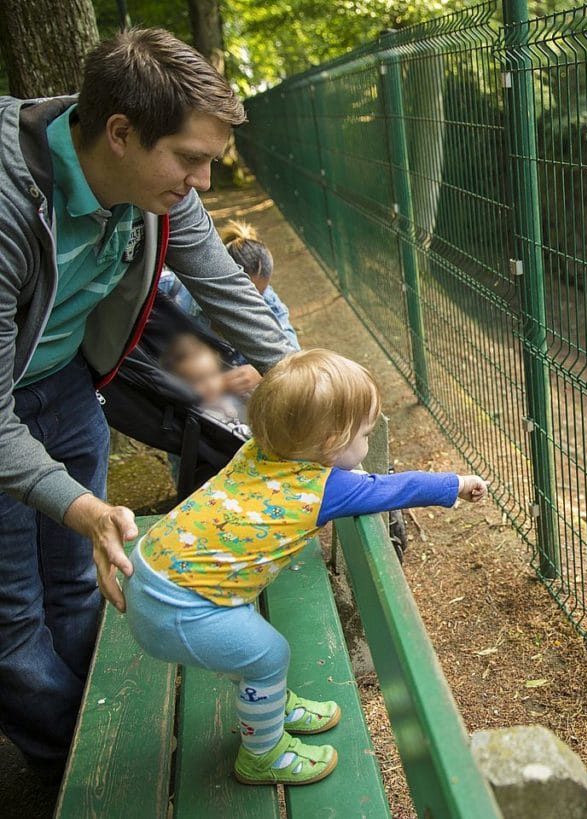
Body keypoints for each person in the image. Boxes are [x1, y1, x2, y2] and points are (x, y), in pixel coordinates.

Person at [0, 28, 298, 777]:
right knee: (10, 614)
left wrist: (304, 379)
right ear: (121, 133)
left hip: (64, 382)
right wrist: (81, 505)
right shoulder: (8, 206)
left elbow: (223, 287)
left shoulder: (153, 190)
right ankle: (70, 761)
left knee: (77, 578)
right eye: (190, 158)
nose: (202, 182)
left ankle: (91, 725)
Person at [125, 349, 487, 785]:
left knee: (258, 655)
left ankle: (269, 704)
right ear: (333, 444)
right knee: (269, 654)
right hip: (179, 610)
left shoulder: (257, 451)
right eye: (366, 435)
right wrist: (457, 483)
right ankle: (263, 754)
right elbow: (392, 488)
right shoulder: (323, 488)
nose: (368, 444)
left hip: (151, 572)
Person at [161, 219, 300, 351]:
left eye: (258, 294)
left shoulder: (267, 300)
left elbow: (291, 351)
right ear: (219, 277)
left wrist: (254, 371)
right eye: (244, 295)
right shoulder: (169, 289)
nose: (251, 303)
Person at [162, 332, 250, 433]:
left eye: (213, 375)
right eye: (199, 380)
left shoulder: (227, 396)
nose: (210, 385)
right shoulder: (195, 414)